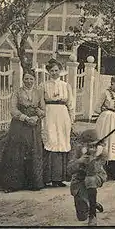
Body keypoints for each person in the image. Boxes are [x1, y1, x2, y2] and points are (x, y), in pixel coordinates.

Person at [0, 69, 46, 193]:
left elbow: (43, 109)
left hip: (34, 125)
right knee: (17, 152)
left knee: (33, 151)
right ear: (23, 79)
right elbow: (13, 110)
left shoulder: (39, 92)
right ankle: (13, 184)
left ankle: (33, 183)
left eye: (31, 79)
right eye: (26, 79)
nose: (28, 81)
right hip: (19, 125)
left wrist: (36, 116)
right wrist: (25, 118)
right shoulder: (17, 92)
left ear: (35, 80)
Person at [41, 58, 74, 187]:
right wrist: (43, 116)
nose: (54, 73)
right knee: (51, 141)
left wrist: (72, 119)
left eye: (56, 70)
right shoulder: (43, 85)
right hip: (49, 114)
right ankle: (48, 177)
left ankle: (59, 178)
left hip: (63, 114)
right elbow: (41, 103)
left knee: (62, 141)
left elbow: (70, 103)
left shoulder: (66, 86)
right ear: (48, 72)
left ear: (60, 71)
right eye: (52, 71)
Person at [67, 129, 107, 226]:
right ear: (83, 144)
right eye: (88, 145)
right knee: (81, 217)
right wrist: (79, 161)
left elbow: (93, 171)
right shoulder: (77, 150)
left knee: (90, 180)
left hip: (96, 176)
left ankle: (92, 216)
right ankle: (91, 202)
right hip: (79, 179)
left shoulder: (102, 152)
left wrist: (92, 159)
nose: (91, 148)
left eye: (94, 145)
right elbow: (69, 170)